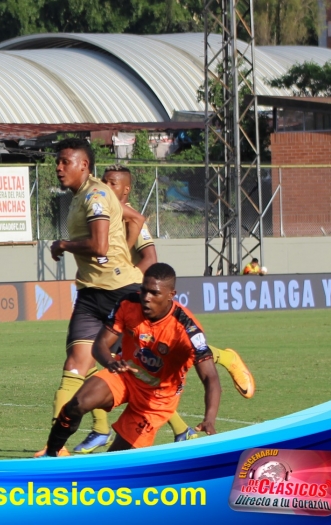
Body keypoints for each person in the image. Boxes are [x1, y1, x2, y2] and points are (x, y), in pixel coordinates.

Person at [101, 165, 256, 442]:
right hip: (105, 297)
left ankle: (89, 434)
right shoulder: (97, 212)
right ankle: (175, 428)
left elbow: (150, 256)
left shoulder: (131, 217)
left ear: (125, 190)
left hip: (129, 293)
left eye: (111, 183)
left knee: (99, 363)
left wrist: (131, 280)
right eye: (102, 182)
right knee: (127, 364)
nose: (104, 187)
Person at [38, 263, 221, 457]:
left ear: (171, 294)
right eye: (143, 291)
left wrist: (209, 418)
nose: (146, 298)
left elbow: (211, 378)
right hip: (125, 376)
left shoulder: (187, 329)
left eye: (154, 293)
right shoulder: (128, 303)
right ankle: (51, 454)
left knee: (114, 462)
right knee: (78, 403)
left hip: (155, 401)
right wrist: (110, 362)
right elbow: (100, 344)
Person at [34, 138, 145, 457]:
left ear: (83, 165)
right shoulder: (81, 195)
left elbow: (98, 246)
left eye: (64, 161)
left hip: (121, 290)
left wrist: (64, 245)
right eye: (57, 161)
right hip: (90, 293)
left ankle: (221, 357)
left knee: (157, 355)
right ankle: (56, 448)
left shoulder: (95, 194)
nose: (57, 167)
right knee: (75, 365)